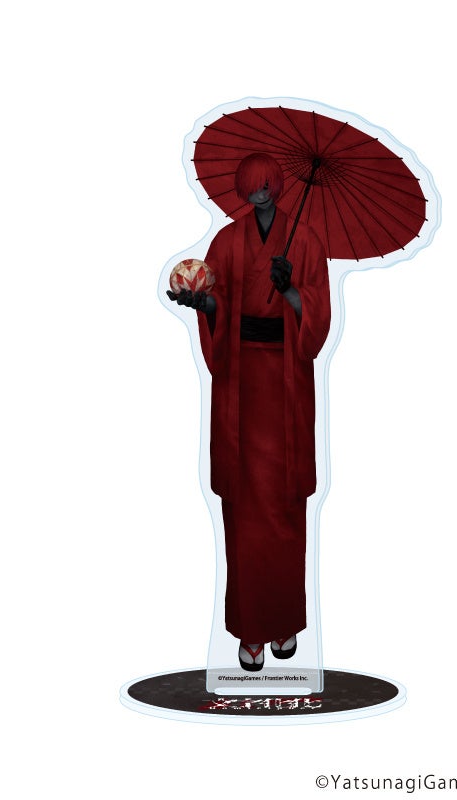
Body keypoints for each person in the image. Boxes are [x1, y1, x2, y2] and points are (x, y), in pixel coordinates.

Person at [167, 153, 331, 671]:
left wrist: (291, 291)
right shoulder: (226, 242)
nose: (260, 193)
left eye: (266, 185)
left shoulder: (306, 242)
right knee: (244, 516)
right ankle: (250, 631)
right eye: (251, 186)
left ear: (277, 185)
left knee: (285, 511)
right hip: (240, 387)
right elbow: (218, 304)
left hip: (285, 388)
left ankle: (283, 623)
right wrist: (204, 305)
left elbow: (318, 323)